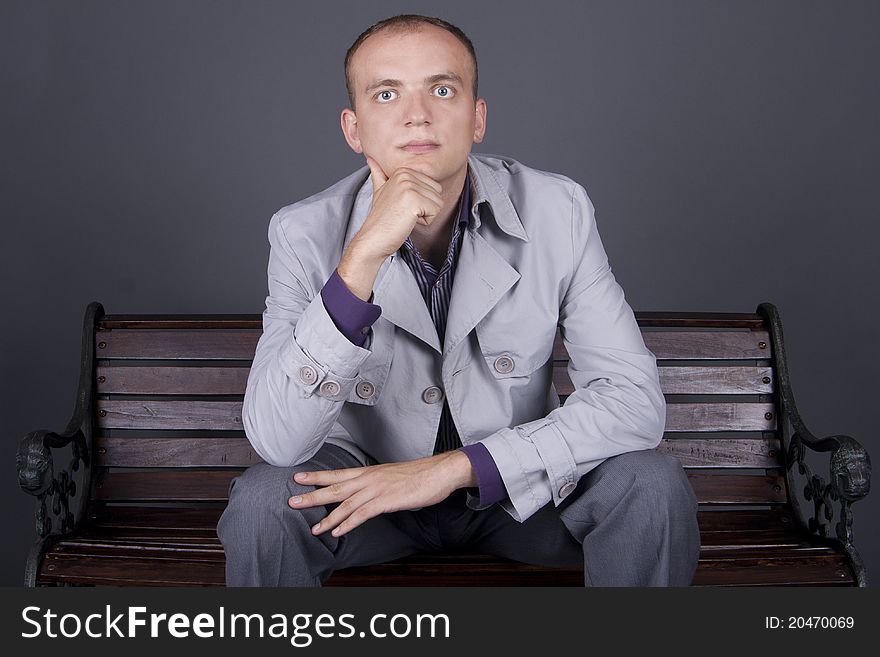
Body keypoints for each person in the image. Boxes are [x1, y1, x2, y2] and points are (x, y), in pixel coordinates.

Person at [217, 13, 701, 587]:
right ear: (354, 129)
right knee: (262, 503)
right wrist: (361, 260)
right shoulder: (302, 232)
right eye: (387, 93)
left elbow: (634, 403)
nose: (416, 114)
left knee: (651, 486)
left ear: (477, 118)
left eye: (441, 89)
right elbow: (278, 440)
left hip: (518, 497)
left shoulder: (557, 210)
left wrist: (457, 468)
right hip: (365, 500)